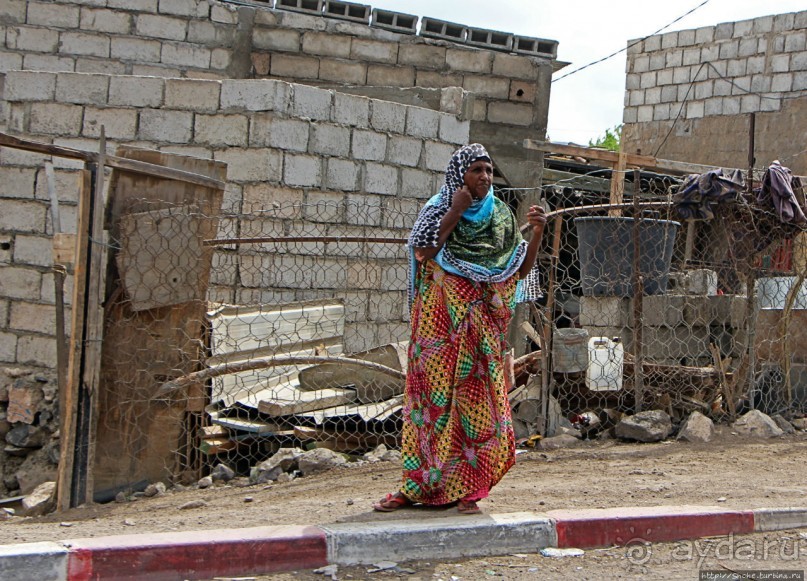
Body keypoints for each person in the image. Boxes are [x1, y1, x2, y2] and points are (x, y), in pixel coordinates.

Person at [373, 143, 546, 515]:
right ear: (459, 175)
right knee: (428, 408)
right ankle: (416, 486)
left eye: (489, 170)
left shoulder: (501, 217)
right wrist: (455, 210)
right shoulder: (437, 208)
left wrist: (537, 234)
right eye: (476, 170)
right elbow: (424, 251)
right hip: (437, 334)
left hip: (478, 336)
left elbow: (517, 272)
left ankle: (471, 489)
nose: (484, 176)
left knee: (477, 408)